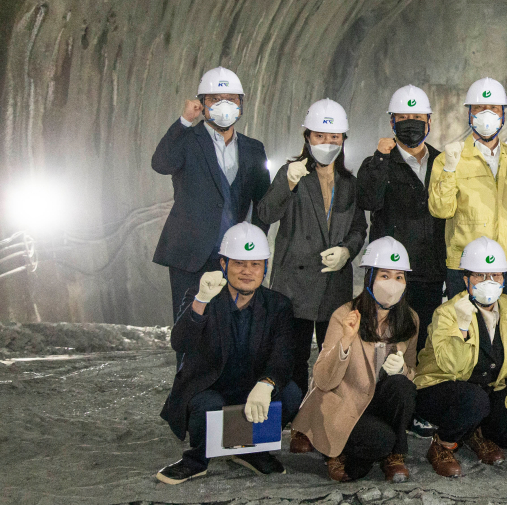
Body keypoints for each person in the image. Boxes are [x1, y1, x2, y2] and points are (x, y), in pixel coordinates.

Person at [156, 223, 300, 484]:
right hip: (211, 387)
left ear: (265, 268)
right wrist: (200, 301)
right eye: (239, 264)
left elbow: (283, 355)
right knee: (207, 404)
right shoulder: (202, 295)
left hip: (251, 387)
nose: (247, 272)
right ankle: (196, 460)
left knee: (290, 392)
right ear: (223, 264)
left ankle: (252, 450)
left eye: (255, 264)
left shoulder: (278, 306)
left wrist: (266, 384)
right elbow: (180, 342)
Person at [256, 99, 368, 395]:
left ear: (343, 139)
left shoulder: (349, 183)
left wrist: (347, 251)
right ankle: (294, 417)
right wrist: (286, 184)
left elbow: (359, 227)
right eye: (320, 136)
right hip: (295, 286)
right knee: (294, 357)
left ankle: (323, 416)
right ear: (307, 137)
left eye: (334, 137)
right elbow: (266, 214)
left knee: (331, 356)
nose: (327, 142)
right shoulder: (292, 173)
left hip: (333, 285)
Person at [290, 237, 420, 483]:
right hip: (343, 402)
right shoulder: (345, 314)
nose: (392, 284)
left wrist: (403, 370)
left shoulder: (409, 319)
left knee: (403, 387)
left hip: (375, 401)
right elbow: (323, 379)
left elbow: (414, 371)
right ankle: (334, 452)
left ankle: (395, 455)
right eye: (384, 276)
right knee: (379, 439)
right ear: (369, 278)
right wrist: (345, 343)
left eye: (399, 277)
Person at [357, 85, 446, 438]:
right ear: (392, 122)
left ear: (429, 122)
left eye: (417, 118)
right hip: (389, 273)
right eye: (403, 119)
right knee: (383, 339)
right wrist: (379, 159)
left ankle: (416, 408)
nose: (411, 124)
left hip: (429, 268)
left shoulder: (442, 161)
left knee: (418, 343)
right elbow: (367, 198)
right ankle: (376, 406)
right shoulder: (379, 162)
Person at [152, 67, 270, 327]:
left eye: (231, 99)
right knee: (190, 327)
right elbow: (161, 163)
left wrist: (254, 249)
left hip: (235, 257)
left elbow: (264, 203)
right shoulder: (187, 140)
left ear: (241, 104)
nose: (224, 105)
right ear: (202, 104)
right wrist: (184, 121)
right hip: (190, 255)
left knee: (232, 330)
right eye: (215, 99)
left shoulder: (253, 149)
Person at [414, 237, 507, 477]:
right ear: (466, 280)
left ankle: (475, 433)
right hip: (442, 388)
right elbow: (452, 366)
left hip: (485, 388)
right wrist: (462, 327)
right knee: (474, 402)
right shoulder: (448, 313)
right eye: (480, 276)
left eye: (495, 276)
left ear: (504, 279)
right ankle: (442, 444)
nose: (489, 283)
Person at [429, 78, 507, 300]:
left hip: (506, 264)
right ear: (469, 114)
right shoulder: (448, 159)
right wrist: (450, 170)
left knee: (504, 330)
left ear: (503, 115)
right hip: (465, 265)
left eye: (493, 108)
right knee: (465, 330)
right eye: (479, 108)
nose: (486, 114)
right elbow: (440, 210)